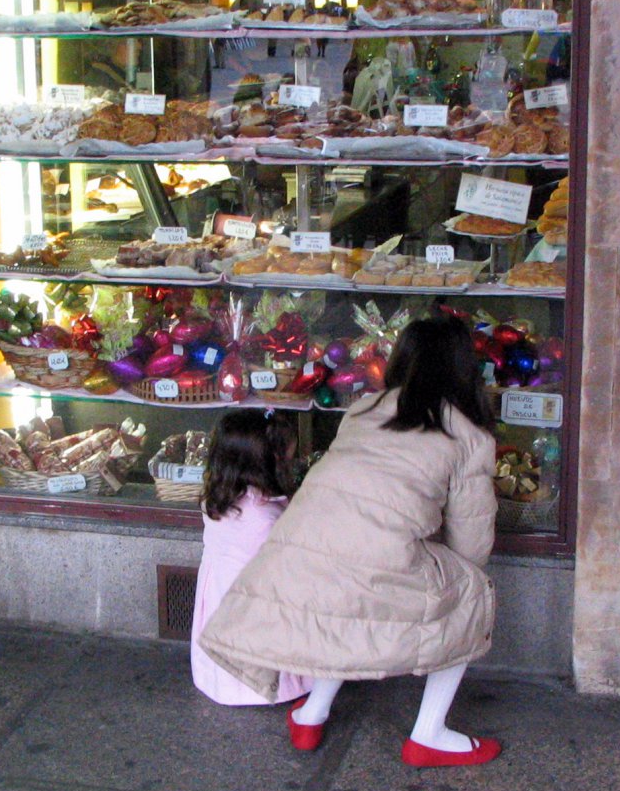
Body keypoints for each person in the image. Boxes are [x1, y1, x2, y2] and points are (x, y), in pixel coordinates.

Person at [200, 316, 501, 767]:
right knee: (471, 594)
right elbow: (472, 545)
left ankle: (312, 713)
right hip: (372, 560)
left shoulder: (362, 410)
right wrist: (445, 574)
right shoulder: (469, 437)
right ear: (463, 368)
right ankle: (429, 735)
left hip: (303, 550)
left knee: (342, 608)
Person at [190, 410, 312, 706]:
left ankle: (219, 679)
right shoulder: (265, 515)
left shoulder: (218, 496)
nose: (289, 463)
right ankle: (279, 684)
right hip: (254, 608)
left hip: (221, 599)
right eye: (284, 458)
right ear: (265, 462)